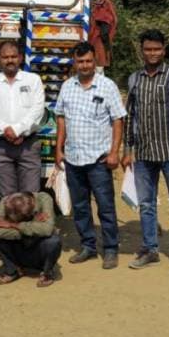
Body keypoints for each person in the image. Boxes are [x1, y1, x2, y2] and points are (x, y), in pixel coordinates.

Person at [121, 29, 169, 274]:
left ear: (164, 50)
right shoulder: (134, 79)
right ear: (142, 51)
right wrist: (127, 149)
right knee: (146, 204)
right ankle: (150, 248)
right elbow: (130, 116)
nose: (152, 53)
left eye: (157, 49)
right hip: (143, 154)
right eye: (148, 49)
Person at [53, 41, 127, 270]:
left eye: (88, 61)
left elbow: (118, 120)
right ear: (74, 63)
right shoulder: (67, 86)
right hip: (74, 158)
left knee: (105, 206)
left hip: (99, 159)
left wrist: (115, 151)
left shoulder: (107, 86)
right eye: (80, 61)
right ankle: (88, 246)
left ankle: (111, 248)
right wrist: (58, 147)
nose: (85, 65)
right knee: (80, 206)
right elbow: (61, 117)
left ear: (95, 61)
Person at [0, 41, 46, 198]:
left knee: (31, 196)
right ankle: (9, 223)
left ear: (20, 58)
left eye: (13, 56)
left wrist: (17, 130)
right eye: (5, 57)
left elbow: (38, 110)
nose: (10, 60)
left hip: (28, 144)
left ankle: (29, 223)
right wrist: (6, 131)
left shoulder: (33, 80)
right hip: (0, 145)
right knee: (7, 198)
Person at [0, 191, 61, 287]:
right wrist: (33, 228)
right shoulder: (5, 201)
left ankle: (47, 273)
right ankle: (13, 270)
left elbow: (47, 229)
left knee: (53, 241)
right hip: (17, 247)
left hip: (37, 249)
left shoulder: (44, 199)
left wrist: (12, 224)